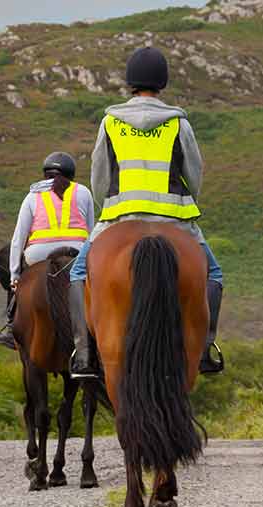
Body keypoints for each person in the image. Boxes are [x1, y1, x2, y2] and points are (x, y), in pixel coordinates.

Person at [68, 46, 224, 376]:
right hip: (174, 219)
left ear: (130, 83)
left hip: (119, 216)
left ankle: (82, 352)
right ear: (162, 82)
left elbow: (99, 177)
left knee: (78, 272)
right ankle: (206, 347)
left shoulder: (110, 123)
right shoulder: (178, 123)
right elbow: (194, 176)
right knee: (214, 274)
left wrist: (109, 207)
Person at [0, 152, 95, 350]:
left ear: (45, 174)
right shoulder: (83, 192)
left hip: (38, 253)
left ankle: (10, 326)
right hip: (76, 250)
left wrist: (15, 276)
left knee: (20, 281)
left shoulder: (33, 194)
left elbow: (18, 239)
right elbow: (91, 231)